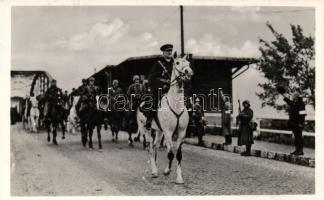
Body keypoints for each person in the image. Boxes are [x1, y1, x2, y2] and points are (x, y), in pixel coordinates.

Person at [145, 43, 174, 128]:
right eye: (167, 51)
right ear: (163, 52)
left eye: (170, 51)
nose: (169, 52)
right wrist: (163, 82)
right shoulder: (159, 64)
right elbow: (152, 77)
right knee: (155, 101)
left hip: (172, 87)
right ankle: (149, 120)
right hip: (161, 88)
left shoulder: (175, 63)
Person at [279, 90, 306, 156]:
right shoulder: (295, 102)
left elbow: (302, 114)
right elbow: (288, 101)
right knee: (296, 137)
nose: (292, 96)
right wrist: (282, 94)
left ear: (296, 96)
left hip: (298, 123)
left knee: (299, 137)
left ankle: (300, 151)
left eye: (293, 95)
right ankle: (297, 150)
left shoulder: (300, 103)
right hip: (294, 123)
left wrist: (300, 123)